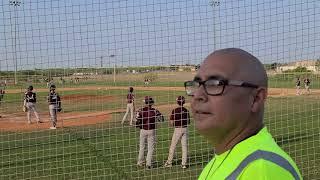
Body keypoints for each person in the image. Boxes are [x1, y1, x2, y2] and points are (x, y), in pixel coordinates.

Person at [184, 48, 302, 179]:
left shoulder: (261, 170)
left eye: (215, 84)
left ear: (256, 98)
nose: (198, 95)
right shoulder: (228, 157)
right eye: (197, 84)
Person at [136, 96, 164, 169]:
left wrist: (140, 124)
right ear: (151, 103)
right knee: (150, 148)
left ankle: (140, 162)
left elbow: (137, 121)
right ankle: (148, 164)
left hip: (143, 130)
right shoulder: (155, 111)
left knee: (142, 147)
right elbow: (161, 119)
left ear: (145, 103)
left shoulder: (141, 110)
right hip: (151, 130)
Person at [164, 95, 190, 169]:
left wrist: (174, 125)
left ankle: (169, 162)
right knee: (184, 147)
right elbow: (188, 121)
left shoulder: (175, 110)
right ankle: (184, 164)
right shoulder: (186, 110)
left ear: (177, 102)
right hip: (185, 129)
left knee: (173, 146)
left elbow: (171, 122)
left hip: (178, 129)